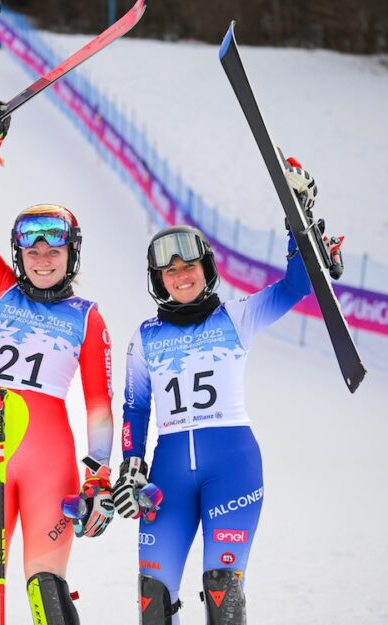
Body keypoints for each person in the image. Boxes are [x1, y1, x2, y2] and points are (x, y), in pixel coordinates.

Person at [111, 159, 343, 625]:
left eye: (189, 265)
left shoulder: (237, 318)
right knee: (152, 598)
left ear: (206, 268)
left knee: (223, 594)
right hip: (168, 475)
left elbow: (297, 285)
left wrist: (298, 218)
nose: (181, 276)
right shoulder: (145, 336)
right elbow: (136, 408)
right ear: (158, 281)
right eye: (169, 271)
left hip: (232, 467)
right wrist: (132, 467)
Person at [0, 101, 116, 625]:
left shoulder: (87, 317)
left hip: (51, 464)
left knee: (47, 590)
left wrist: (97, 477)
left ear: (71, 255)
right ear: (18, 256)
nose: (43, 259)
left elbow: (98, 406)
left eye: (55, 250)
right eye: (33, 250)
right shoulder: (0, 291)